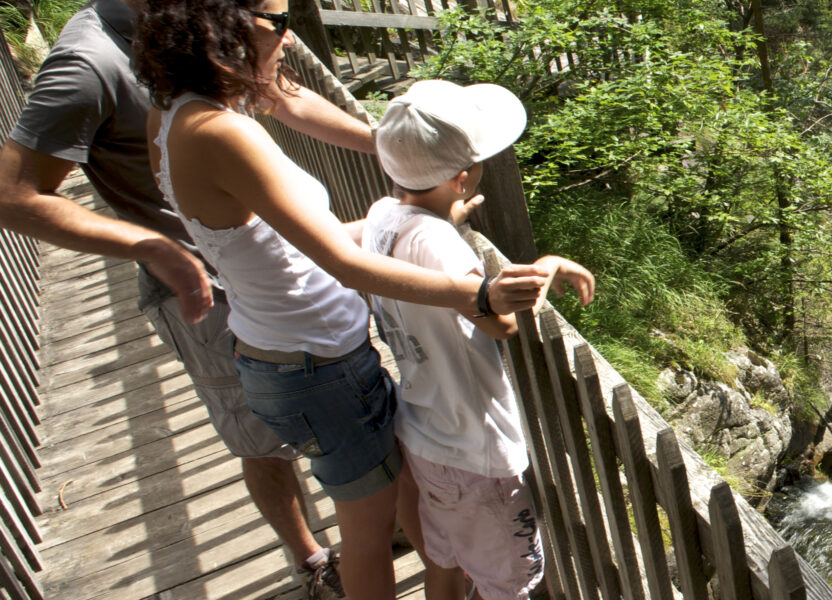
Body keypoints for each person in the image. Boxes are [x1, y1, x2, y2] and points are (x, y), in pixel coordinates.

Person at [132, 1, 553, 598]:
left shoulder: (172, 112)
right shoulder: (222, 133)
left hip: (281, 350)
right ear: (224, 25)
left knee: (401, 493)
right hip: (316, 365)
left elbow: (286, 238)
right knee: (367, 535)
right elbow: (341, 260)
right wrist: (477, 292)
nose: (289, 36)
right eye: (279, 23)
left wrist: (413, 170)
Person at [0, 0, 375, 595]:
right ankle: (312, 561)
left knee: (332, 408)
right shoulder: (87, 61)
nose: (286, 36)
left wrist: (385, 143)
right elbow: (13, 196)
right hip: (197, 289)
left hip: (268, 265)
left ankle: (372, 523)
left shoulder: (202, 20)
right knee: (261, 437)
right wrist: (153, 248)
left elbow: (278, 87)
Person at [365, 79, 592, 600]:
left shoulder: (382, 217)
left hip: (424, 433)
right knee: (509, 582)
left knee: (444, 563)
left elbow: (416, 238)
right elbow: (501, 321)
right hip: (477, 452)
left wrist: (451, 217)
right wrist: (548, 266)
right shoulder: (441, 247)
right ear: (463, 178)